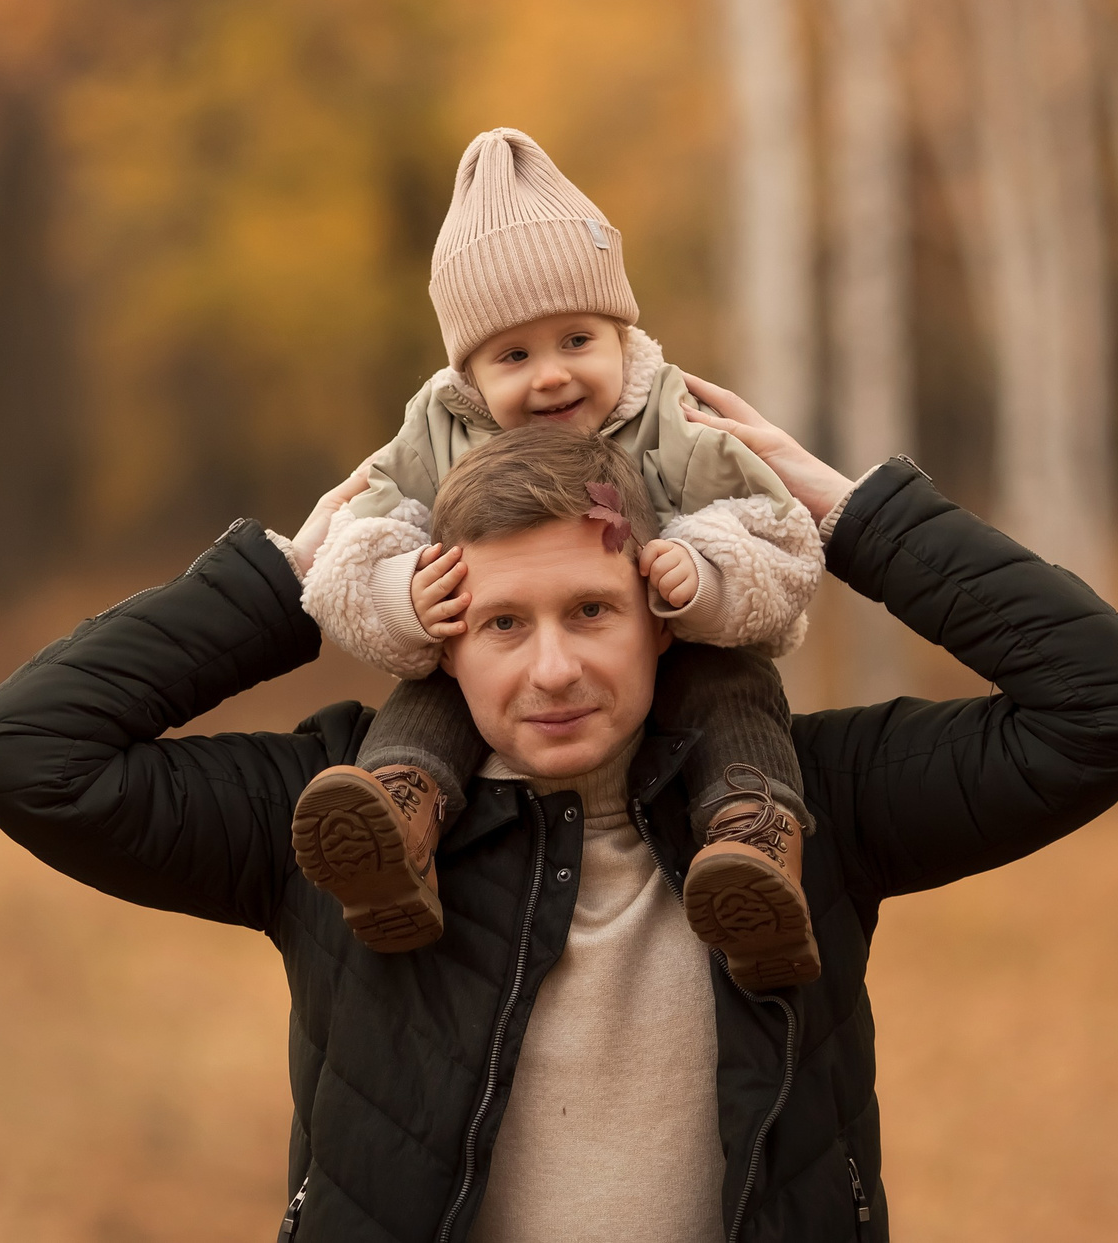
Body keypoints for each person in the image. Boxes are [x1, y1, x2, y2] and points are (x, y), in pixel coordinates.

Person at [0, 409, 1118, 1242]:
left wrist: (846, 516)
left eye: (591, 611)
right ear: (443, 633)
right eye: (502, 623)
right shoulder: (343, 815)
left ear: (660, 613)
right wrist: (281, 584)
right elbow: (23, 753)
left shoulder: (803, 807)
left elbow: (1113, 705)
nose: (551, 670)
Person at [295, 126, 824, 985]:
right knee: (432, 689)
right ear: (468, 371)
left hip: (687, 644)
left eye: (577, 340)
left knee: (733, 693)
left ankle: (752, 846)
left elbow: (782, 537)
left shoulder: (678, 420)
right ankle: (397, 823)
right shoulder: (437, 429)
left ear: (620, 335)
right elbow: (362, 535)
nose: (550, 376)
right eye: (515, 354)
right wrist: (402, 597)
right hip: (481, 668)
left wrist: (709, 574)